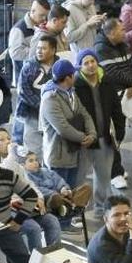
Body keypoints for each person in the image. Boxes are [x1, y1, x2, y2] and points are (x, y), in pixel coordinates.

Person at [73, 50, 126, 217]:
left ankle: (101, 208)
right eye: (86, 63)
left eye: (92, 61)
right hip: (84, 139)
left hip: (104, 137)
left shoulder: (107, 81)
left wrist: (119, 129)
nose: (90, 65)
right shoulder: (75, 85)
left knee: (103, 177)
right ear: (80, 66)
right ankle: (75, 210)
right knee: (79, 177)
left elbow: (117, 108)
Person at [40, 59, 96, 188]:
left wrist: (92, 134)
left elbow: (84, 113)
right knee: (60, 198)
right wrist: (84, 137)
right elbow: (62, 128)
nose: (75, 76)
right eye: (73, 74)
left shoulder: (71, 92)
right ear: (67, 77)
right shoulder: (50, 98)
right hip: (58, 159)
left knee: (73, 195)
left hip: (73, 154)